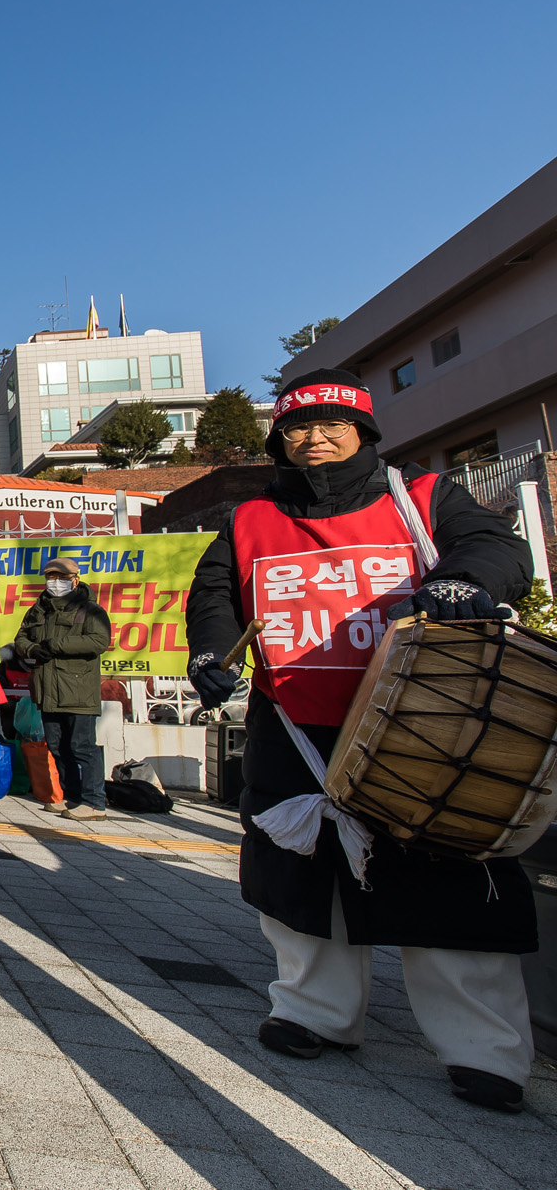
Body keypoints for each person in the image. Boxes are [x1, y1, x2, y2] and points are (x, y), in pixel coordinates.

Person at [185, 369, 536, 1113]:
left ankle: (484, 1051)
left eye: (329, 424)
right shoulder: (250, 519)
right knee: (296, 877)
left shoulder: (425, 498)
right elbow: (215, 596)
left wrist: (462, 581)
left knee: (446, 878)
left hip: (424, 720)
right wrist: (212, 656)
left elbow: (495, 549)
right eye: (296, 426)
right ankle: (313, 1012)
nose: (312, 437)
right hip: (296, 722)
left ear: (364, 432)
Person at [12, 557, 113, 820]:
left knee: (82, 746)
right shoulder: (39, 609)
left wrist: (56, 644)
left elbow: (99, 640)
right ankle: (72, 797)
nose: (55, 583)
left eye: (62, 578)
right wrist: (32, 648)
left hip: (78, 690)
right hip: (47, 690)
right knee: (57, 747)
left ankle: (94, 802)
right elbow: (21, 637)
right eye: (51, 577)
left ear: (75, 580)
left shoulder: (91, 610)